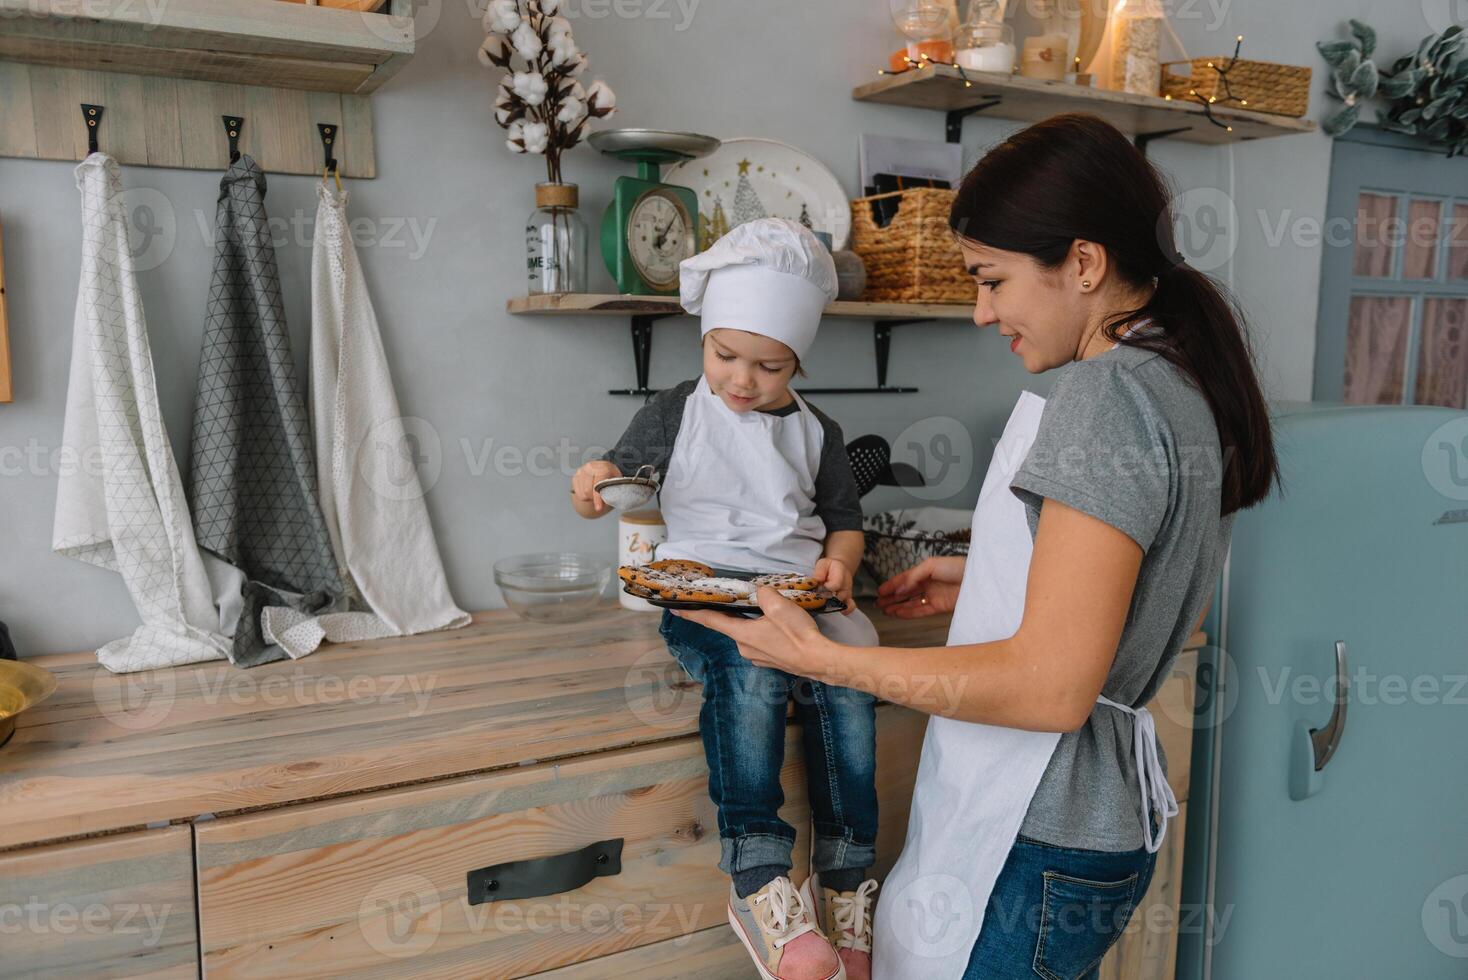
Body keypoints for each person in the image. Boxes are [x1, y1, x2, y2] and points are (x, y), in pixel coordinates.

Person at [675, 114, 1279, 980]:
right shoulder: (1178, 375)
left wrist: (824, 660)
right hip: (1097, 831)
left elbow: (1051, 690)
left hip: (1036, 829)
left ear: (1082, 262)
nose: (980, 310)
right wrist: (992, 576)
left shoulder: (1104, 398)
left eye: (993, 280)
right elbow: (1155, 588)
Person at [572, 217, 882, 980]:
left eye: (768, 367)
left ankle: (844, 882)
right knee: (750, 675)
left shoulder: (819, 431)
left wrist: (840, 566)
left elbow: (845, 525)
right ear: (703, 341)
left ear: (796, 361)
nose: (742, 380)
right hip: (703, 596)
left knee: (848, 694)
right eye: (725, 355)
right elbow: (615, 478)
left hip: (799, 598)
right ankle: (758, 878)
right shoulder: (679, 411)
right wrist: (588, 487)